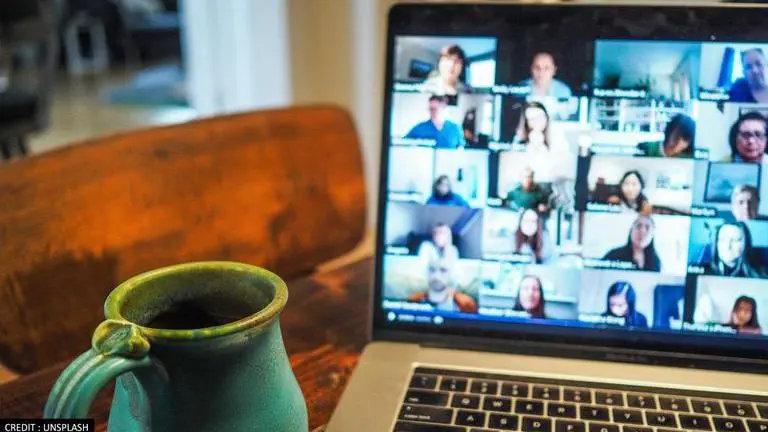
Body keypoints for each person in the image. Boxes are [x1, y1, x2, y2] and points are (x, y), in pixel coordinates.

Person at [408, 256, 477, 313]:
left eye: (443, 270)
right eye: (432, 270)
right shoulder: (414, 301)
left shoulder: (466, 304)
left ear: (451, 274)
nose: (436, 276)